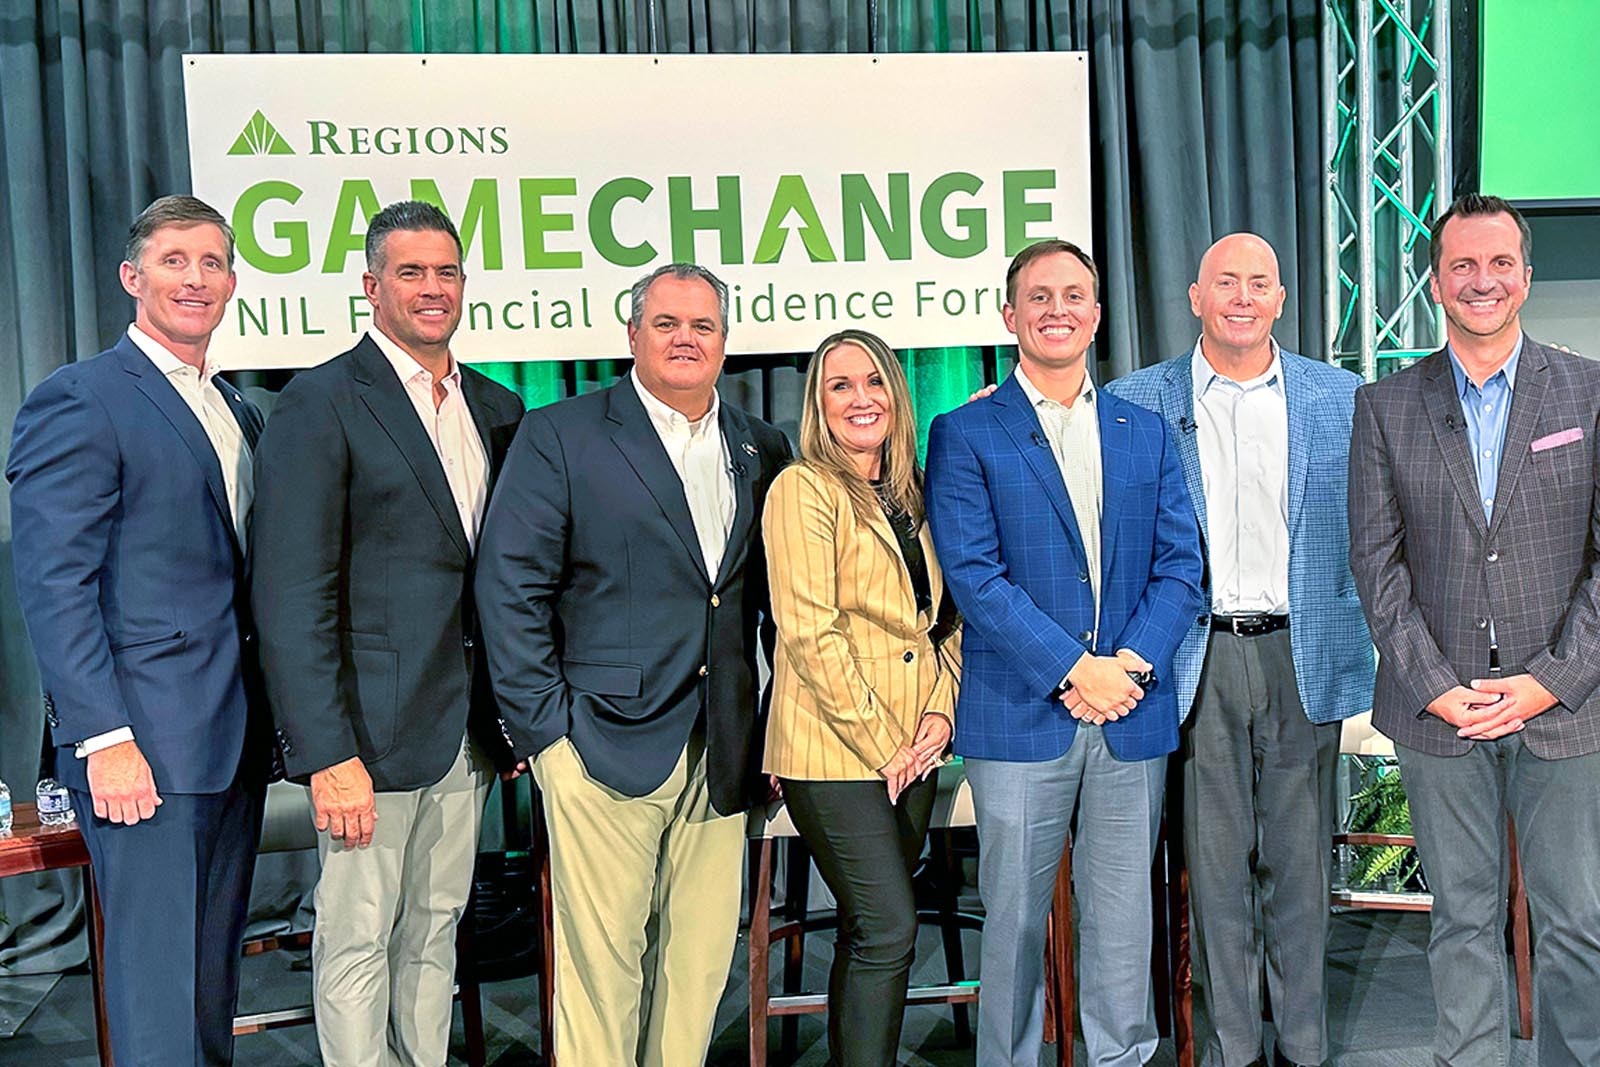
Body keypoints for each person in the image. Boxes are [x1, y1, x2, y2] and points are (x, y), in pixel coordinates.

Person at [474, 262, 792, 1065]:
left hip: (723, 747)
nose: (686, 338)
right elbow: (510, 588)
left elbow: (775, 604)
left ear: (725, 340)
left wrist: (778, 729)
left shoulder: (761, 444)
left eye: (703, 325)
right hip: (599, 743)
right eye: (667, 323)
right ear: (633, 333)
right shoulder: (561, 434)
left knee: (698, 966)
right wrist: (547, 735)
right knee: (603, 969)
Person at [250, 200, 526, 1067]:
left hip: (465, 733)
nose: (432, 288)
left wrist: (511, 714)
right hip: (364, 739)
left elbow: (501, 579)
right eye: (411, 272)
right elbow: (290, 596)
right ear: (371, 286)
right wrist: (325, 752)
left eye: (446, 271)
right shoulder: (321, 401)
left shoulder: (498, 406)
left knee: (436, 929)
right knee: (358, 935)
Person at [925, 238, 1204, 1067]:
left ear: (1097, 314)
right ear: (1009, 316)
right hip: (1019, 716)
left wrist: (1128, 666)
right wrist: (1076, 669)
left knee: (1122, 920)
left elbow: (1181, 566)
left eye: (1074, 294)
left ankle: (1122, 1056)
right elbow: (974, 576)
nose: (1058, 309)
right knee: (1012, 921)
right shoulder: (965, 431)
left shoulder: (1144, 431)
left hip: (1130, 710)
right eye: (1039, 296)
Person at [8, 195, 268, 1065]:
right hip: (143, 747)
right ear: (132, 277)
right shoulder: (82, 398)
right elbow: (55, 584)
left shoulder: (235, 407)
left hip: (230, 741)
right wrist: (103, 737)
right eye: (173, 260)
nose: (194, 279)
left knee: (209, 987)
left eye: (211, 263)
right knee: (157, 995)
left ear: (232, 283)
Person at [1107, 233, 1375, 1067]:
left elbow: (1378, 528)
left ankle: (1303, 1046)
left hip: (1302, 653)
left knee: (1299, 869)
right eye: (1227, 282)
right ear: (1196, 297)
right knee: (1216, 872)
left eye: (1260, 282)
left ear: (1281, 299)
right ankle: (1233, 1050)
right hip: (1195, 658)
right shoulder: (1135, 400)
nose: (1243, 297)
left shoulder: (1342, 396)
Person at [1348, 192, 1600, 1067]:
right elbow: (1376, 567)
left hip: (1564, 706)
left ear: (1526, 275)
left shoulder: (1589, 390)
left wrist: (1551, 679)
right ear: (1436, 281)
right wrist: (1438, 689)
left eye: (1499, 263)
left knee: (1577, 920)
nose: (1481, 280)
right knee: (1461, 920)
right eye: (1462, 264)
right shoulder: (1385, 405)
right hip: (1438, 712)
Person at [762, 328, 961, 1066]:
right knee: (887, 926)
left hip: (915, 742)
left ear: (896, 394)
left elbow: (947, 616)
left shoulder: (916, 489)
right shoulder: (802, 489)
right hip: (833, 747)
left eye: (874, 380)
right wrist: (886, 747)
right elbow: (809, 634)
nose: (861, 398)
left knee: (869, 928)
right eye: (840, 385)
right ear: (818, 402)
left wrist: (941, 711)